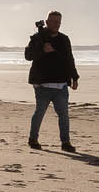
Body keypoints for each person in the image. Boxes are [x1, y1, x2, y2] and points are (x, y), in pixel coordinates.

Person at [25, 10, 79, 151]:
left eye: (58, 22)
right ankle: (33, 139)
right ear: (47, 21)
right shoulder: (37, 38)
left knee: (64, 115)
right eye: (53, 21)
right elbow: (28, 55)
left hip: (61, 84)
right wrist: (43, 51)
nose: (56, 24)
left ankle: (65, 143)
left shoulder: (64, 39)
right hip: (42, 84)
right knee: (39, 113)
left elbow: (69, 59)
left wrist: (75, 77)